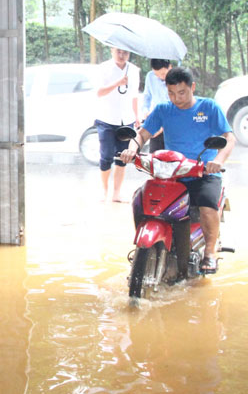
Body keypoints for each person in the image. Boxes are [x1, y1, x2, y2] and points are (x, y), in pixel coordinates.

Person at [120, 66, 235, 273]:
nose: (176, 98)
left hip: (204, 172)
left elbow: (229, 138)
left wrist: (218, 160)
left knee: (207, 205)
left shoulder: (209, 107)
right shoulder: (164, 110)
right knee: (142, 198)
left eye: (181, 92)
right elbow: (143, 134)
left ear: (192, 87)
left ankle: (209, 253)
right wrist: (131, 149)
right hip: (173, 173)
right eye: (171, 93)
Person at [94, 46, 140, 202]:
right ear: (112, 51)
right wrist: (118, 82)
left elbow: (134, 95)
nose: (122, 55)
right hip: (106, 118)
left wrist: (136, 115)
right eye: (118, 51)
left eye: (125, 52)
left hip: (126, 119)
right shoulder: (103, 68)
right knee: (106, 156)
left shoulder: (134, 70)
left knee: (122, 158)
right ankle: (104, 190)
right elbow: (99, 92)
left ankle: (117, 193)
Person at [140, 58, 171, 152]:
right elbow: (147, 97)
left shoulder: (177, 79)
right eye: (156, 74)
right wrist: (145, 111)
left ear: (170, 67)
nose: (160, 77)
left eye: (163, 74)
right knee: (154, 156)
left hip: (171, 124)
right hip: (156, 121)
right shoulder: (150, 76)